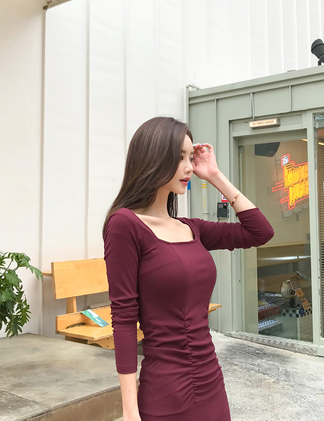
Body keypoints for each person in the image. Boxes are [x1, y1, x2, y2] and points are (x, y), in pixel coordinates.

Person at [103, 117, 274, 421]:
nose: (189, 168)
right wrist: (130, 411)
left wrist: (216, 176)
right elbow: (124, 319)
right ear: (154, 158)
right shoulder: (125, 224)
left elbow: (260, 232)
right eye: (180, 157)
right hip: (165, 392)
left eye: (190, 158)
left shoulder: (191, 228)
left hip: (211, 383)